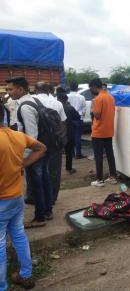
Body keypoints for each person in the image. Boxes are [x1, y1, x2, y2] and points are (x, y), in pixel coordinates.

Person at [0, 103, 46, 290]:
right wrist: (23, 164)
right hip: (16, 197)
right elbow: (41, 147)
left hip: (2, 200)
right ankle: (25, 274)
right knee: (18, 235)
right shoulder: (17, 136)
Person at [6, 77, 53, 228]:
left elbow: (31, 136)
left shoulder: (25, 107)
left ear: (20, 89)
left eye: (10, 89)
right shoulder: (34, 100)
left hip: (35, 151)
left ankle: (40, 217)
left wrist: (24, 158)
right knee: (44, 179)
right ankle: (47, 211)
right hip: (44, 147)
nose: (8, 92)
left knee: (36, 183)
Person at [34, 82, 67, 205]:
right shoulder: (57, 103)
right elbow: (63, 123)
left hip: (36, 140)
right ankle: (52, 197)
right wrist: (62, 141)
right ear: (49, 90)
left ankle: (35, 197)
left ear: (36, 90)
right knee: (54, 170)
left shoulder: (31, 100)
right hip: (54, 141)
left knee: (36, 170)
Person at [89, 78, 118, 186]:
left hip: (98, 132)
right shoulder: (110, 97)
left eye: (91, 88)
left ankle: (99, 179)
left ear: (95, 86)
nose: (91, 90)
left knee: (98, 156)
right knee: (110, 154)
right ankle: (113, 177)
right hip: (109, 130)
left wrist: (93, 107)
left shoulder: (98, 98)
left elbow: (97, 115)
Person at [57, 93, 80, 175]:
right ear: (66, 100)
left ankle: (56, 170)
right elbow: (77, 117)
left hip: (58, 133)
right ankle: (69, 168)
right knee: (69, 152)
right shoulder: (70, 108)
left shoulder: (55, 107)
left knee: (56, 153)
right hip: (69, 132)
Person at [67, 82, 87, 159]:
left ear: (70, 87)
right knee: (78, 136)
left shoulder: (67, 96)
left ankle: (71, 153)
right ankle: (78, 154)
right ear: (77, 88)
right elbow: (84, 108)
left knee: (70, 136)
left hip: (69, 118)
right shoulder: (81, 97)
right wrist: (81, 118)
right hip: (78, 118)